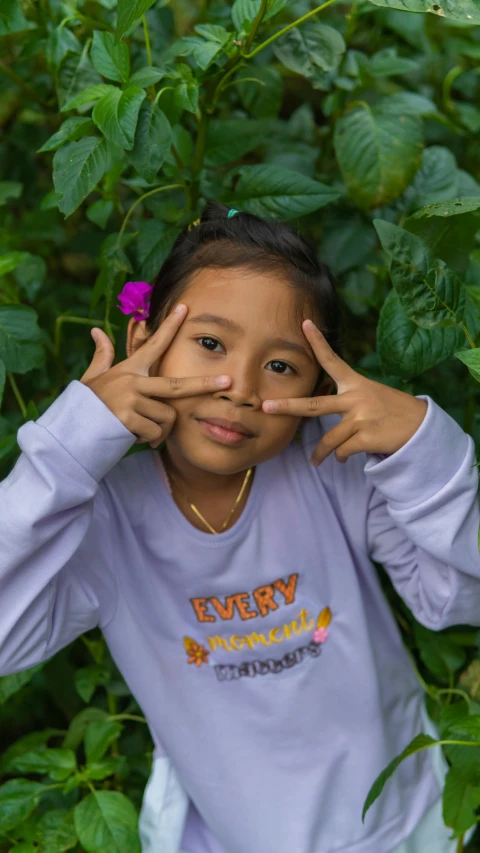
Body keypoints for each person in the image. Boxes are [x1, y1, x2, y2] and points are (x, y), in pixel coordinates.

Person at [0, 202, 479, 853]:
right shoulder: (105, 523)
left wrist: (423, 452)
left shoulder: (332, 468)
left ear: (319, 379)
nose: (241, 388)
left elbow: (457, 596)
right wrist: (71, 445)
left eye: (281, 365)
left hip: (411, 824)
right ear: (142, 342)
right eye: (210, 343)